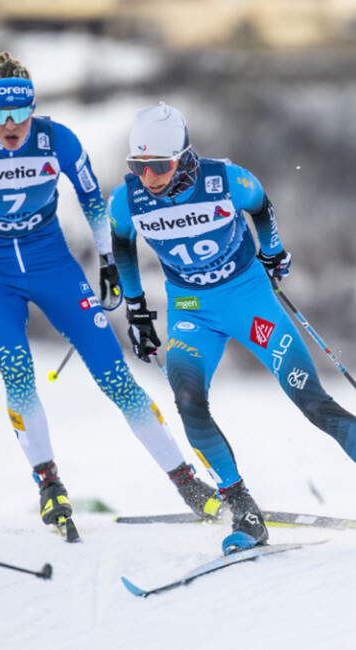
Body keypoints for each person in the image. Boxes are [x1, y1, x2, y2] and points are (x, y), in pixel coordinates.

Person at [0, 53, 223, 537]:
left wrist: (107, 262)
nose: (10, 126)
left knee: (115, 374)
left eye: (20, 113)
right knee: (18, 376)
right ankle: (49, 483)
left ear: (33, 107)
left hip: (51, 263)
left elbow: (93, 198)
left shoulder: (58, 140)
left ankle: (187, 482)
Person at [108, 102, 356, 554]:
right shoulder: (126, 200)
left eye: (158, 165)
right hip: (191, 312)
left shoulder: (226, 180)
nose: (148, 177)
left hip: (250, 303)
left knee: (312, 401)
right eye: (138, 167)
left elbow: (261, 207)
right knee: (188, 401)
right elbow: (122, 247)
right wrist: (137, 311)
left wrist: (274, 252)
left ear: (183, 156)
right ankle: (242, 507)